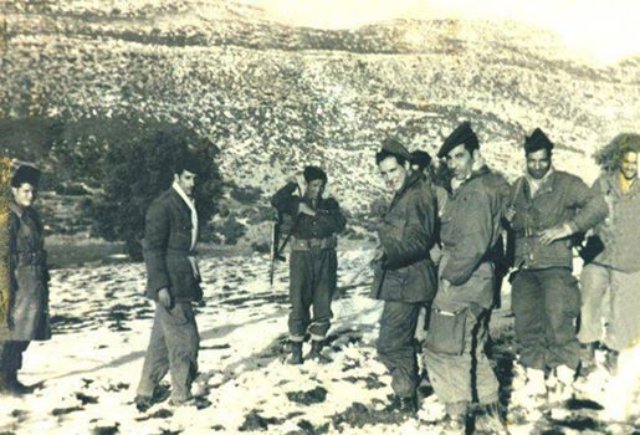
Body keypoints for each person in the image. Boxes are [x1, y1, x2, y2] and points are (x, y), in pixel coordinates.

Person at [505, 128, 607, 399]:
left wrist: (568, 228)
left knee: (558, 318)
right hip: (525, 266)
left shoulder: (566, 184)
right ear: (525, 159)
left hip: (555, 264)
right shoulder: (517, 187)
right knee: (527, 321)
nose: (537, 166)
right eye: (532, 161)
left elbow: (598, 206)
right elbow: (510, 220)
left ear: (550, 158)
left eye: (542, 160)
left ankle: (564, 376)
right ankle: (536, 375)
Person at [423, 122, 508, 432]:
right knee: (471, 346)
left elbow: (473, 244)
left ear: (475, 154)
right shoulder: (481, 186)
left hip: (464, 277)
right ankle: (490, 413)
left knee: (447, 347)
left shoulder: (476, 191)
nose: (454, 164)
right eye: (450, 159)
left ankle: (456, 419)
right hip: (479, 278)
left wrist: (450, 276)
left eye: (460, 156)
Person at [371, 138, 438, 415]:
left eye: (393, 171)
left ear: (407, 166)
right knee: (398, 340)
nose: (389, 178)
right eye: (384, 173)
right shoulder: (406, 193)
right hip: (403, 280)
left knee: (391, 342)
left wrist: (388, 250)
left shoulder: (417, 194)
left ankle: (406, 397)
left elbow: (419, 241)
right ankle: (407, 393)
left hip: (409, 281)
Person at [576, 133, 640, 420]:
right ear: (618, 160)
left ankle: (614, 356)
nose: (631, 167)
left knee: (623, 313)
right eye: (627, 161)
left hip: (630, 261)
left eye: (636, 162)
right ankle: (587, 356)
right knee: (588, 304)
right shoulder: (602, 184)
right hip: (599, 256)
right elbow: (586, 213)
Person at [135, 155, 203, 411]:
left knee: (162, 340)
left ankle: (146, 390)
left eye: (195, 178)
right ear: (176, 177)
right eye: (187, 177)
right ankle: (181, 395)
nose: (192, 183)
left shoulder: (185, 203)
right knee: (186, 339)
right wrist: (161, 286)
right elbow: (152, 249)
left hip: (183, 277)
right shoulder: (164, 206)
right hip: (172, 283)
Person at [271, 166, 346, 364]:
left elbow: (338, 224)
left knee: (323, 300)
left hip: (326, 256)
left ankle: (316, 349)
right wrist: (292, 184)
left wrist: (312, 213)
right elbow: (276, 201)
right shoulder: (294, 202)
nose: (318, 190)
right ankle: (296, 351)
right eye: (313, 185)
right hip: (301, 256)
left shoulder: (330, 204)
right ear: (306, 185)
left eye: (321, 186)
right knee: (299, 300)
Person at [1, 163, 51, 395]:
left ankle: (10, 378)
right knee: (11, 333)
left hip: (32, 283)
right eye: (25, 191)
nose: (30, 196)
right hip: (16, 283)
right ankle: (5, 382)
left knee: (24, 332)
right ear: (14, 190)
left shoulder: (30, 215)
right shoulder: (9, 217)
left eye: (33, 191)